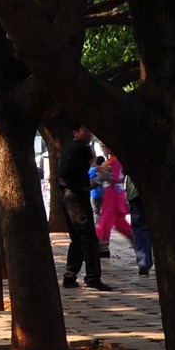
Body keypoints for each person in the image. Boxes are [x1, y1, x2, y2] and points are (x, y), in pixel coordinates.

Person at [56, 124, 109, 290]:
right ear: (75, 132)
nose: (89, 134)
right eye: (85, 131)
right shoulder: (82, 149)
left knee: (78, 239)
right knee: (89, 238)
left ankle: (70, 277)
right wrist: (93, 158)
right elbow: (89, 164)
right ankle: (92, 277)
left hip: (68, 196)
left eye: (90, 131)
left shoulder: (69, 149)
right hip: (76, 197)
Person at [95, 154, 136, 258]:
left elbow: (116, 178)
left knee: (103, 224)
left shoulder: (116, 160)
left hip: (113, 197)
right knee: (120, 224)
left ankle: (102, 250)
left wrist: (105, 174)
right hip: (110, 196)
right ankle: (136, 241)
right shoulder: (112, 160)